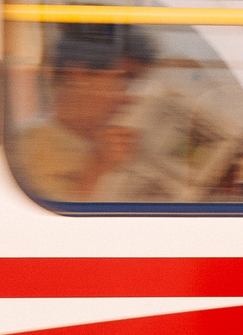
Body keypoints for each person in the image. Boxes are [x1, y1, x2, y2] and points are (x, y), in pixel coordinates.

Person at [10, 23, 150, 203]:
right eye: (124, 80)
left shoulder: (114, 144)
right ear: (79, 75)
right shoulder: (30, 147)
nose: (129, 98)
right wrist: (98, 167)